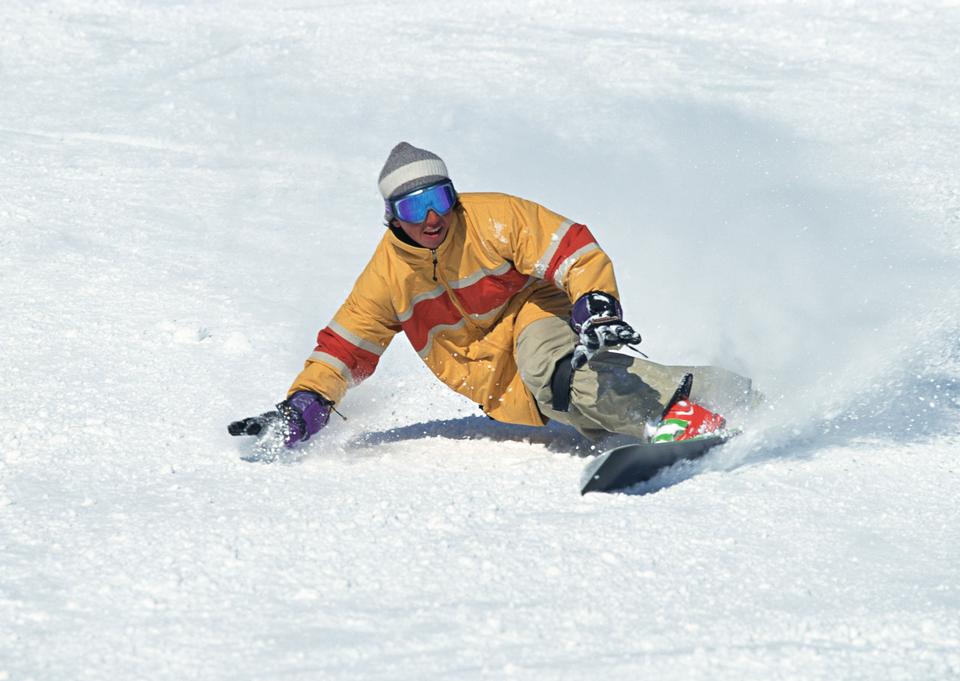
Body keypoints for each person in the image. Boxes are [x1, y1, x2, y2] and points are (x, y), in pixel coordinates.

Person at [229, 142, 753, 449]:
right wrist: (303, 407)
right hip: (501, 385)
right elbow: (344, 348)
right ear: (393, 218)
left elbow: (573, 251)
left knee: (555, 372)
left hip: (539, 313)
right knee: (570, 401)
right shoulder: (386, 279)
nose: (432, 218)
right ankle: (730, 391)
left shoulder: (494, 218)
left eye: (438, 199)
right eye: (414, 209)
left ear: (453, 196)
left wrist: (594, 303)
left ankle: (678, 418)